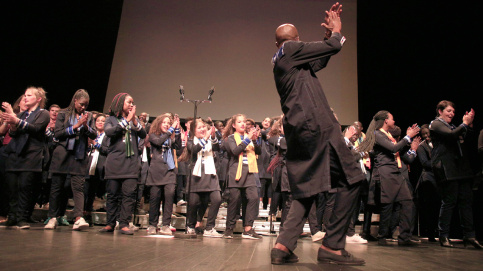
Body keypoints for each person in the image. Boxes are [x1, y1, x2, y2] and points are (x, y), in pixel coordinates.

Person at [270, 3, 365, 265]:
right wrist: (335, 31)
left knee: (306, 188)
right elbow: (333, 47)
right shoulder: (290, 49)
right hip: (317, 125)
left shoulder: (283, 60)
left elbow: (319, 60)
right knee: (353, 177)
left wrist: (325, 39)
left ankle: (283, 246)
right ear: (296, 40)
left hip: (299, 131)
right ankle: (333, 246)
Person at [357, 111, 420, 247]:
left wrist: (409, 144)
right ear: (386, 120)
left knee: (408, 202)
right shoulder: (377, 134)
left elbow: (400, 152)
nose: (394, 121)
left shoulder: (389, 135)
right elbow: (393, 148)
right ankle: (382, 236)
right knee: (388, 205)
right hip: (385, 172)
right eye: (392, 118)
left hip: (396, 172)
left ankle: (404, 237)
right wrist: (407, 137)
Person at [429, 100, 481, 249]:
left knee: (466, 201)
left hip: (461, 168)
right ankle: (443, 235)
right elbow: (452, 135)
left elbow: (466, 138)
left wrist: (469, 125)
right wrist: (463, 124)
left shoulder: (452, 125)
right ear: (440, 111)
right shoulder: (436, 124)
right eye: (449, 111)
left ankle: (469, 236)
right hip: (447, 168)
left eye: (453, 111)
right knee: (449, 202)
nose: (452, 114)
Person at [45, 89, 97, 231]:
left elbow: (94, 133)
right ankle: (53, 217)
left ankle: (78, 218)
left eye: (86, 105)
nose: (83, 107)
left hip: (79, 155)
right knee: (57, 187)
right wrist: (76, 125)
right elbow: (58, 133)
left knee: (78, 187)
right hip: (62, 154)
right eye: (81, 104)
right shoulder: (63, 114)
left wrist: (85, 125)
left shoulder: (89, 116)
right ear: (75, 101)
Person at [1, 87, 50, 229]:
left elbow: (34, 128)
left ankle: (22, 218)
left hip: (30, 156)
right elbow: (13, 133)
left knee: (24, 187)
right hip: (15, 154)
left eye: (29, 95)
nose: (26, 97)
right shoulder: (22, 114)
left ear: (38, 99)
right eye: (25, 95)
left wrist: (14, 119)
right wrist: (12, 121)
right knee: (12, 188)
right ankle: (12, 216)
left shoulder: (43, 113)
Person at [99, 93, 146, 235]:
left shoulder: (134, 120)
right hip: (115, 162)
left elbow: (143, 135)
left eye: (133, 102)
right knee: (112, 195)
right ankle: (110, 223)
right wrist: (126, 121)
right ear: (120, 103)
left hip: (130, 163)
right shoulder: (111, 119)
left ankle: (124, 223)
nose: (131, 105)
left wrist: (134, 122)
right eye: (128, 102)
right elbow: (109, 132)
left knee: (128, 195)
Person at [222, 114, 262, 240]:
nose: (243, 124)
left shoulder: (248, 137)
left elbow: (259, 151)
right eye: (239, 122)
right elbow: (235, 151)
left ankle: (248, 228)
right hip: (236, 172)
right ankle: (229, 229)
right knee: (234, 201)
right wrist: (248, 139)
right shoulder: (230, 138)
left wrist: (254, 140)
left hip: (249, 172)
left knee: (253, 198)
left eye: (244, 122)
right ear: (234, 125)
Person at [182, 118, 223, 237]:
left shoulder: (210, 140)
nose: (203, 129)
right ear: (194, 131)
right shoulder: (190, 141)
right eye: (199, 128)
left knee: (217, 199)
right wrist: (205, 138)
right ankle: (190, 225)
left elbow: (217, 148)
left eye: (204, 127)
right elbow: (195, 149)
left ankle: (209, 227)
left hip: (210, 173)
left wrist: (214, 137)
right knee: (193, 203)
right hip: (197, 173)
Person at [145, 113, 180, 236]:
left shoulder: (170, 137)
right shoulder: (153, 136)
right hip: (156, 171)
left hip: (169, 170)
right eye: (164, 123)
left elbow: (179, 146)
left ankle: (166, 225)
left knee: (169, 196)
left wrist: (178, 130)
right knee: (155, 198)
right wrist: (171, 130)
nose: (166, 125)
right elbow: (159, 142)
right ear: (158, 124)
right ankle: (152, 224)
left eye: (168, 123)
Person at [416, 124, 440, 242]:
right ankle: (430, 233)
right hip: (428, 179)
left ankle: (440, 231)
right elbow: (425, 163)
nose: (426, 136)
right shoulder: (422, 147)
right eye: (423, 134)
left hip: (440, 178)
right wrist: (440, 164)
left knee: (439, 206)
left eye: (428, 134)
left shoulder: (438, 143)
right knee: (431, 206)